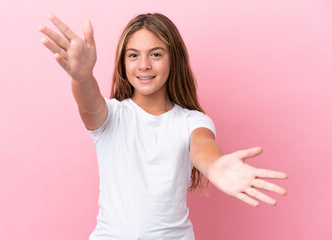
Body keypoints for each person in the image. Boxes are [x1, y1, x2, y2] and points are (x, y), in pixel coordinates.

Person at [38, 13, 288, 240]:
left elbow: (202, 146)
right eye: (133, 55)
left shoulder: (192, 121)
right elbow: (90, 105)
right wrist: (82, 78)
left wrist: (214, 166)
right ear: (123, 63)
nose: (144, 64)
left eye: (156, 54)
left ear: (173, 59)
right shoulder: (112, 115)